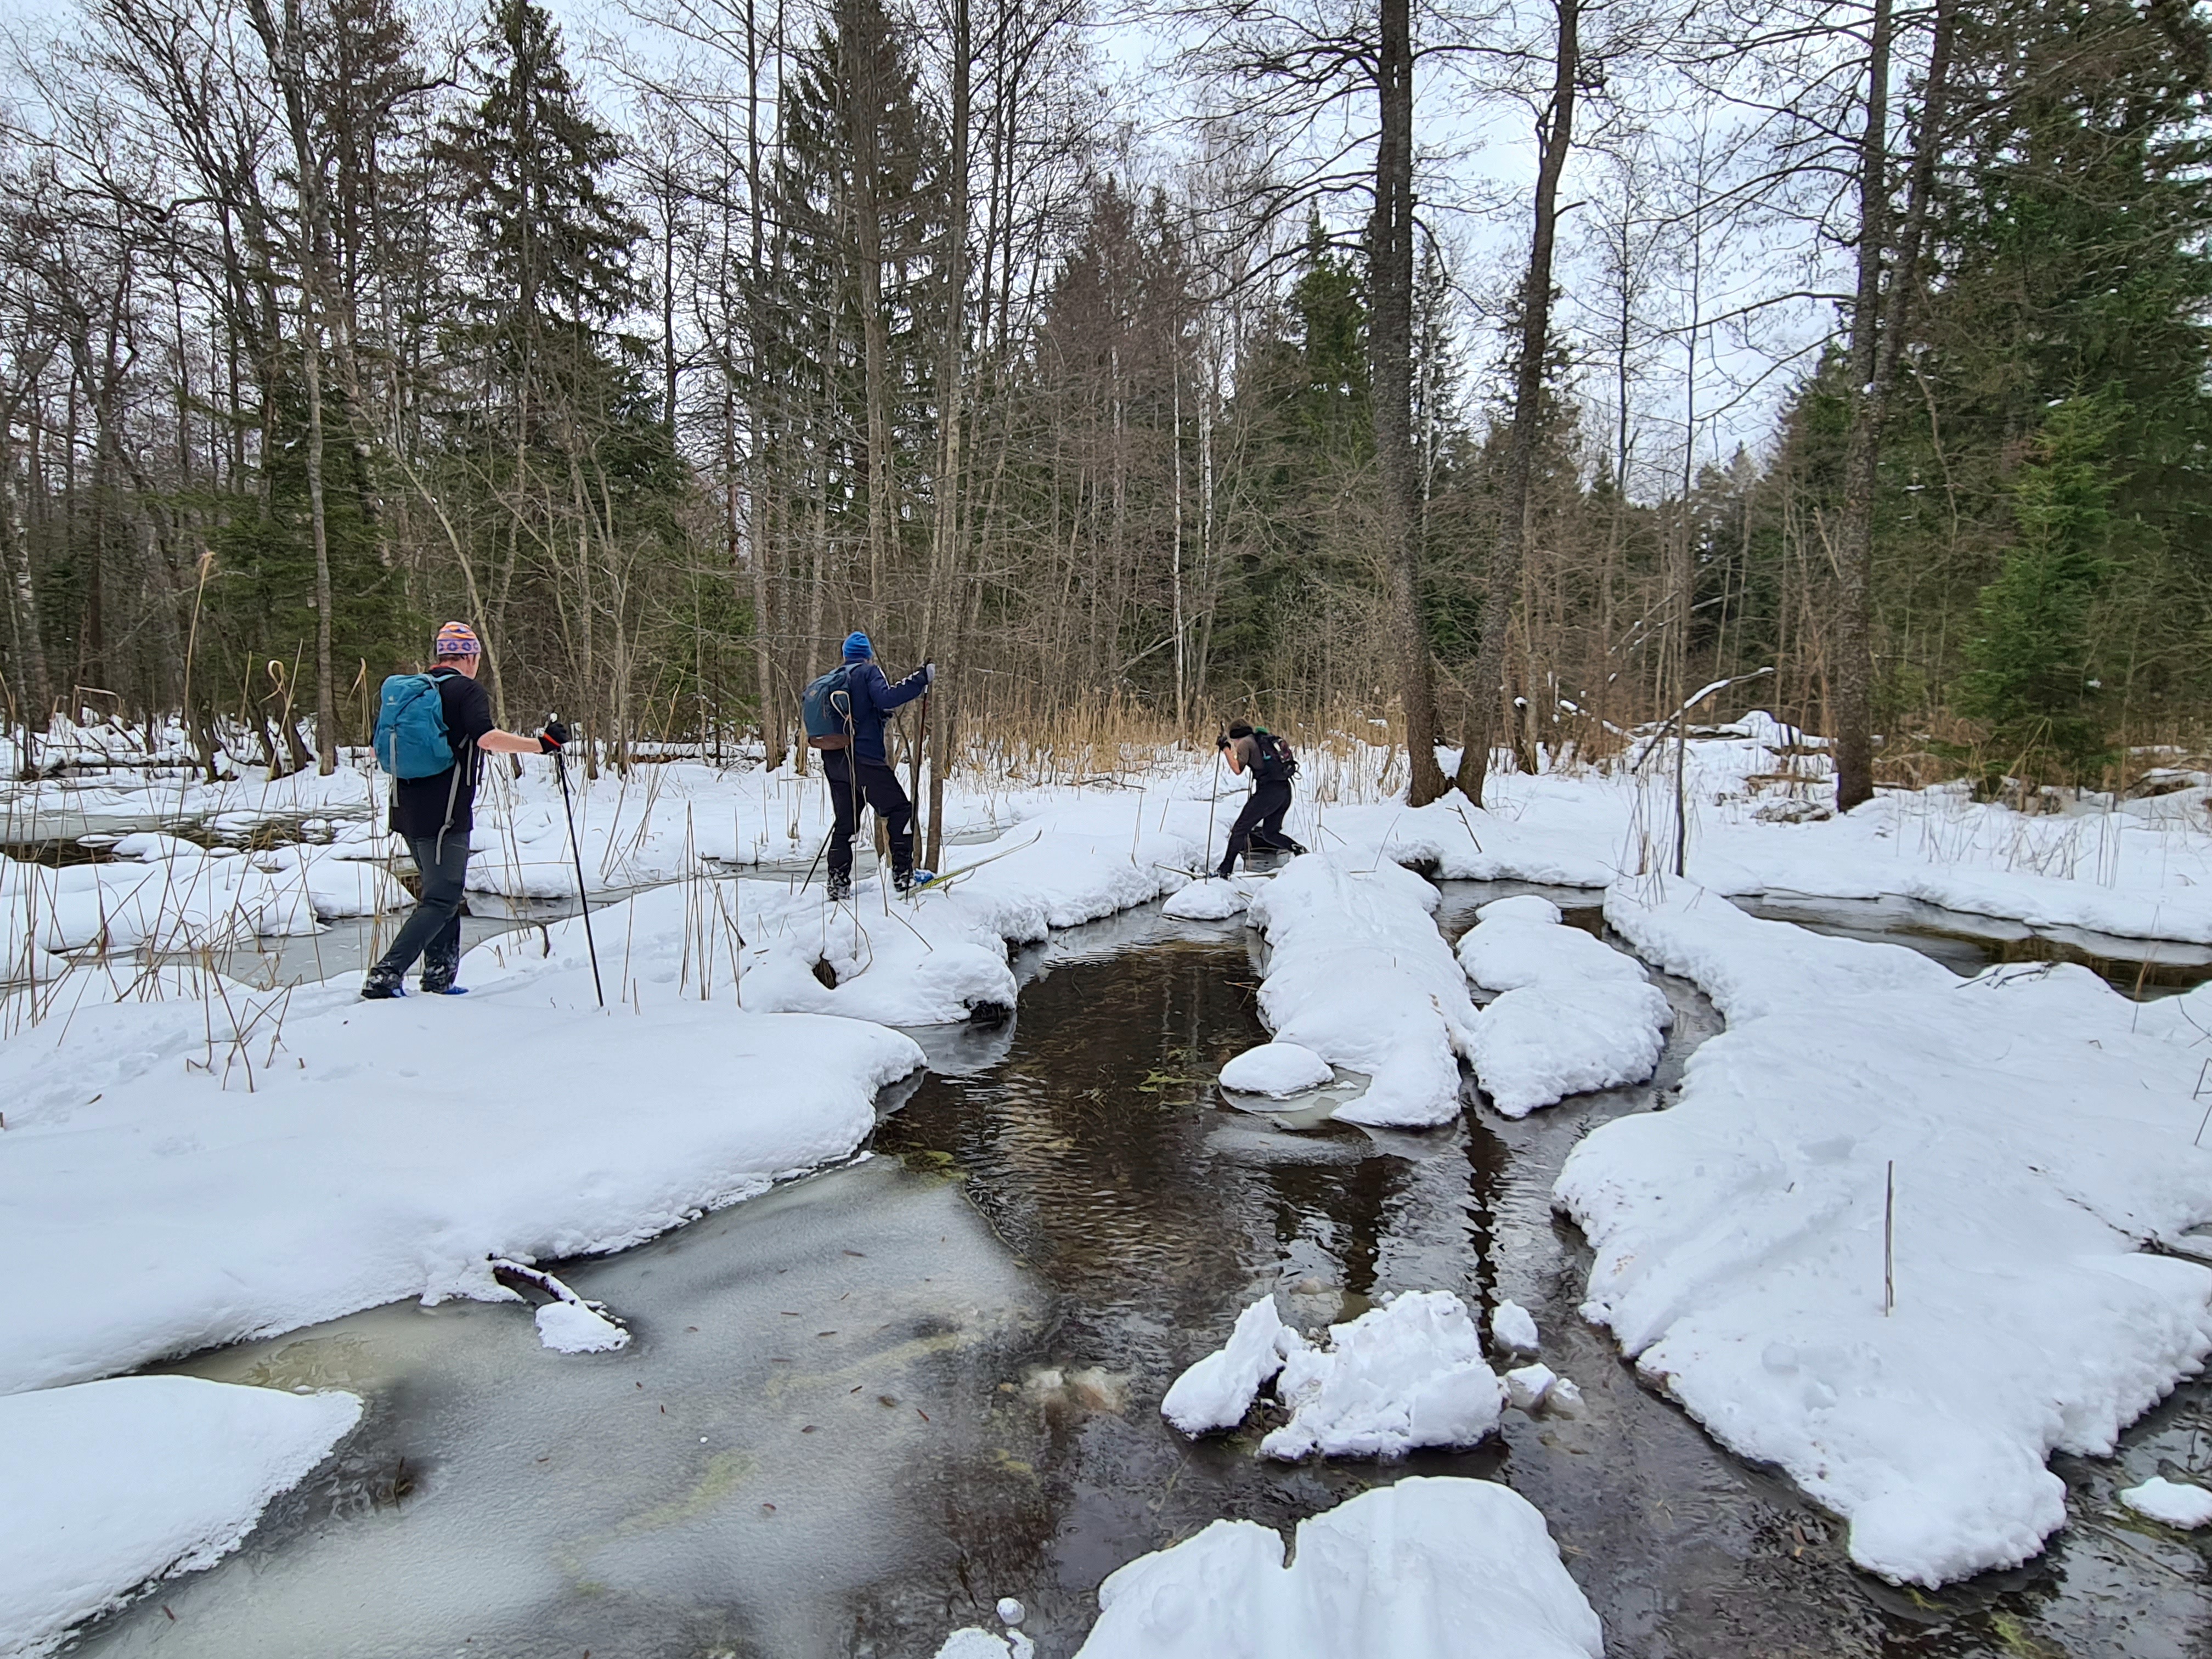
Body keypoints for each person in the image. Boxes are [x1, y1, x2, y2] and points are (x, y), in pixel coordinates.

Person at [362, 622, 567, 999]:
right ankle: (385, 976)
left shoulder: (410, 692)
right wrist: (542, 745)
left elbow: (377, 748)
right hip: (446, 813)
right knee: (442, 898)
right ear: (471, 657)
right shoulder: (466, 690)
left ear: (441, 656)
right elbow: (486, 738)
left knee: (442, 893)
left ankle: (439, 978)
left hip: (405, 809)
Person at [821, 631, 934, 900]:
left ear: (845, 655)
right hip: (865, 758)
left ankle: (837, 883)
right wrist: (920, 680)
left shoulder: (832, 679)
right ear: (867, 655)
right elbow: (886, 698)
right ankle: (904, 876)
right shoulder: (868, 672)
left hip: (835, 761)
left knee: (846, 822)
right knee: (899, 810)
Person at [1214, 721, 1307, 878]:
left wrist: (1225, 749)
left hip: (1269, 793)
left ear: (1236, 737)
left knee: (1239, 830)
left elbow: (1237, 769)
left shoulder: (1245, 743)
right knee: (1270, 833)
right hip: (1285, 791)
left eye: (1233, 741)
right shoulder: (1261, 739)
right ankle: (1299, 850)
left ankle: (1224, 871)